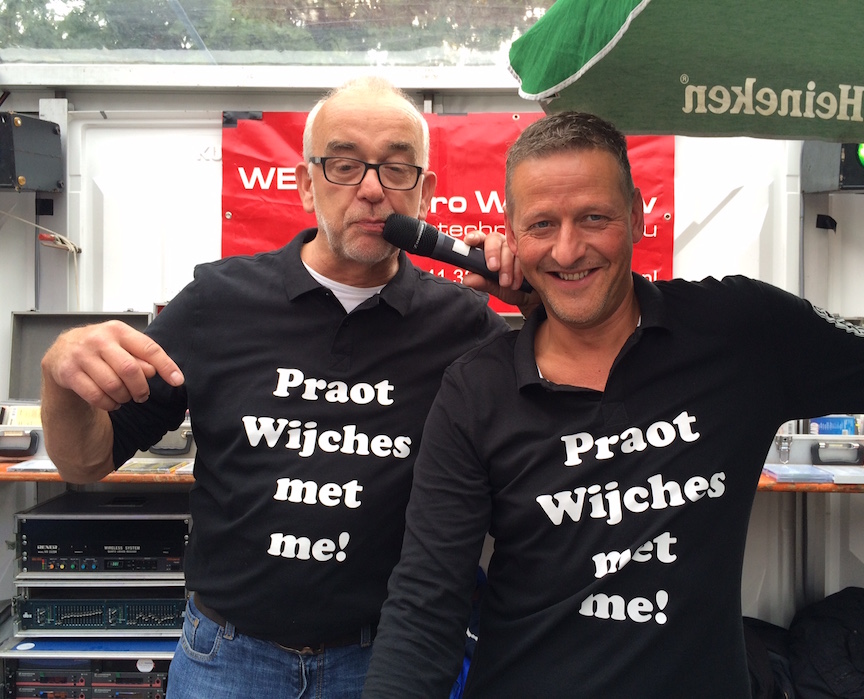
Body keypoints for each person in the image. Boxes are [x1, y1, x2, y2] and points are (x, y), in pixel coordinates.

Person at [361, 111, 864, 698]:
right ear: (512, 234)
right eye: (542, 225)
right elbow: (426, 602)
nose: (567, 249)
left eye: (594, 218)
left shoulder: (740, 333)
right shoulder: (476, 390)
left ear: (636, 214)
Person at [39, 76, 529, 699]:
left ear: (425, 192)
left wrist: (540, 299)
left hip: (386, 664)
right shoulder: (217, 303)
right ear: (304, 183)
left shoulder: (465, 326)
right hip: (226, 661)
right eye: (344, 165)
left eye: (397, 169)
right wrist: (60, 377)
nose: (371, 189)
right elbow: (83, 462)